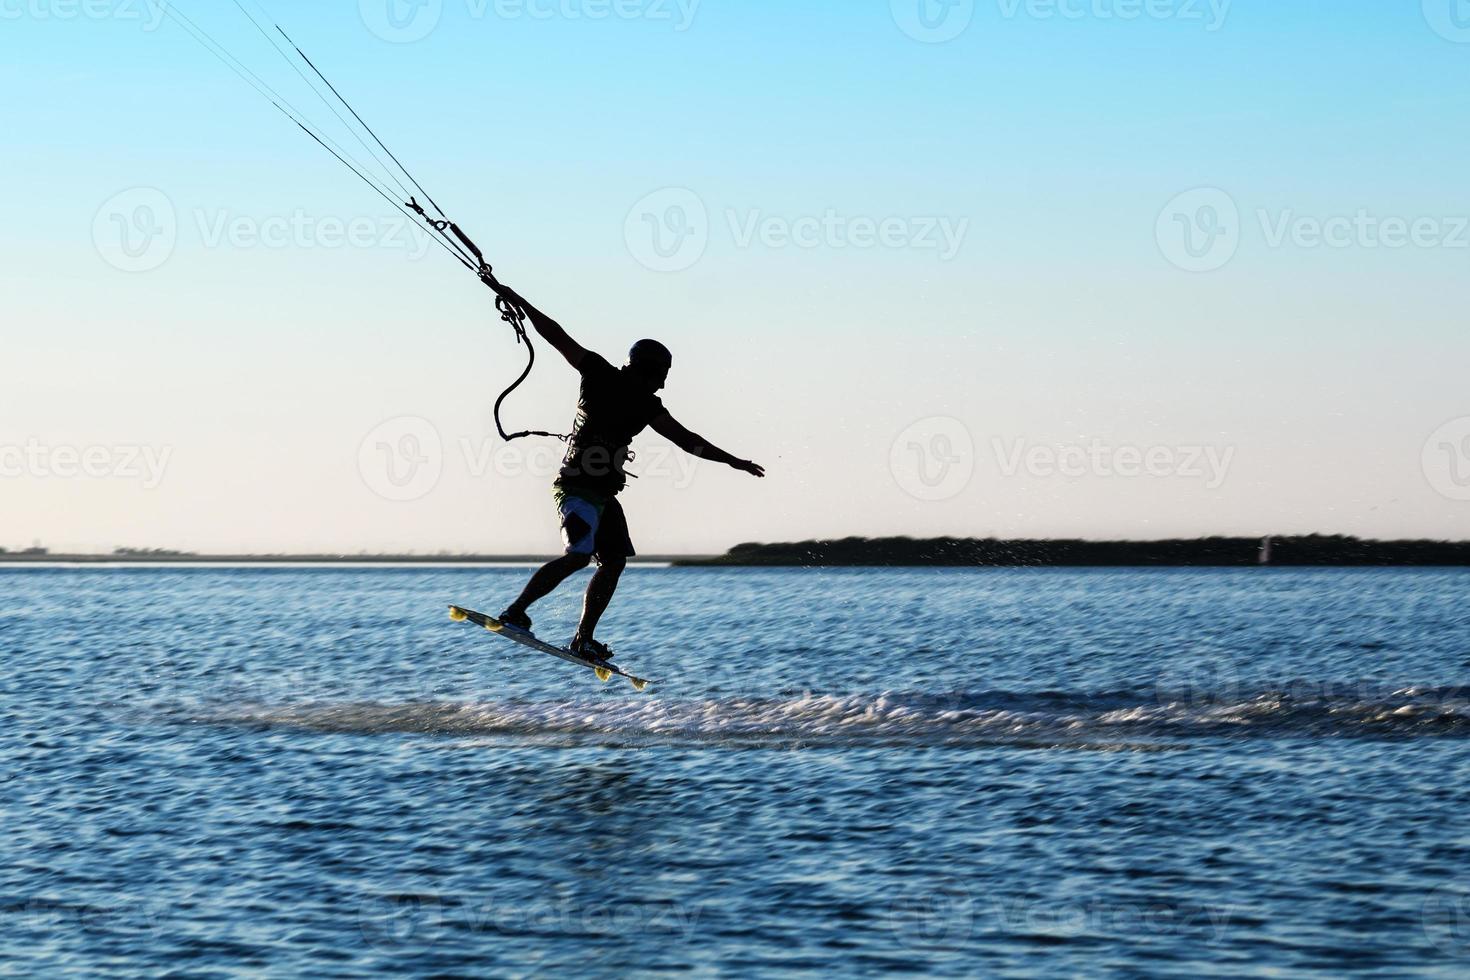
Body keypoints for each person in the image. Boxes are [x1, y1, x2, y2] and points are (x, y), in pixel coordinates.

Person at [491, 284, 765, 661]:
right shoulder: (598, 372)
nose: (663, 383)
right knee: (578, 554)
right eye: (660, 374)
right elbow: (556, 334)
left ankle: (583, 639)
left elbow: (687, 439)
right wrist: (518, 301)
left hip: (604, 496)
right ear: (645, 368)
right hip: (575, 488)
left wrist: (731, 460)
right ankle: (515, 611)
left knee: (614, 562)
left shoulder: (647, 404)